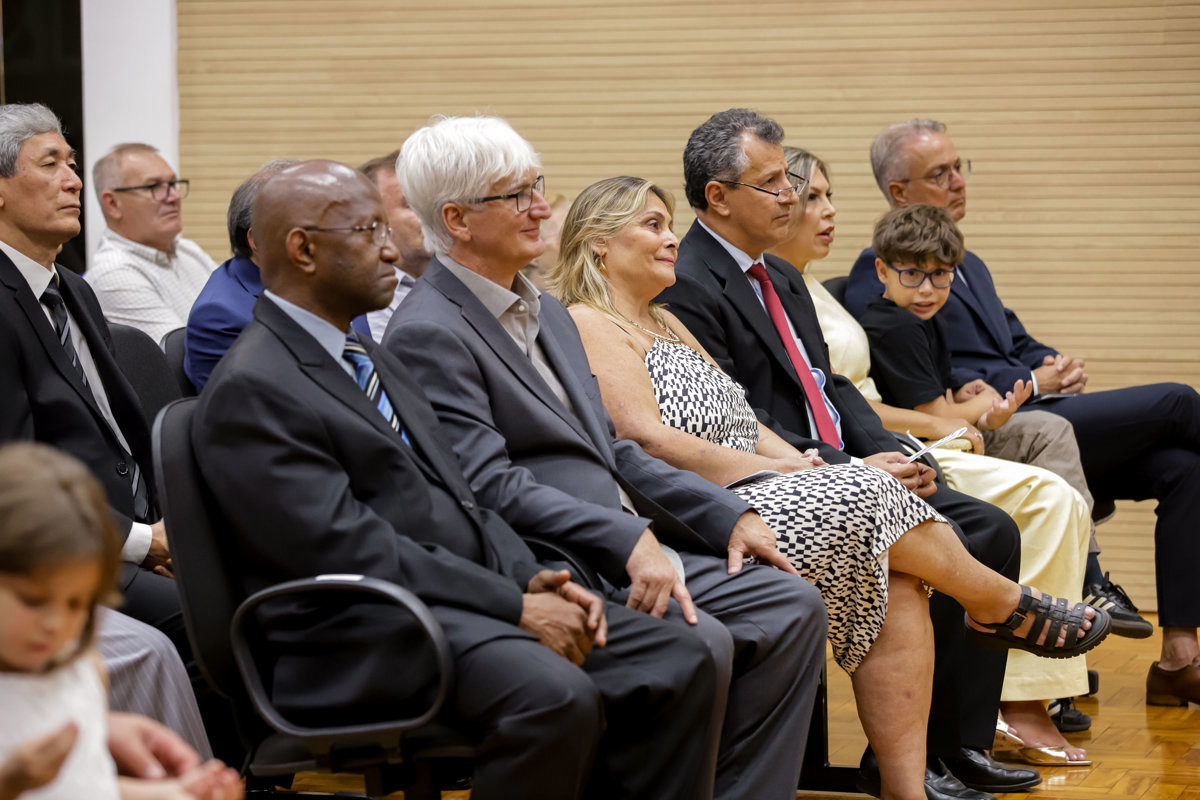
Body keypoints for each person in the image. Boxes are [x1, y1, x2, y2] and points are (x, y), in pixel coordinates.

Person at [552, 174, 1109, 795]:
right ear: (599, 244)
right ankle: (999, 604)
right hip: (701, 509)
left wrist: (813, 467)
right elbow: (648, 441)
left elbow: (744, 419)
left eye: (668, 224)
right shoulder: (586, 321)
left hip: (764, 484)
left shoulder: (665, 322)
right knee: (873, 497)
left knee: (896, 579)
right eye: (651, 226)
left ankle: (906, 787)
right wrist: (802, 473)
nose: (670, 238)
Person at [192, 158, 723, 800]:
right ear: (303, 250)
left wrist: (533, 575)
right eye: (368, 232)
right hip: (357, 633)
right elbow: (350, 549)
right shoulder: (255, 385)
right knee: (551, 696)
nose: (393, 248)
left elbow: (464, 495)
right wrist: (516, 604)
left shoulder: (368, 356)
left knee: (682, 654)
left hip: (444, 598)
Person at [385, 114, 827, 800]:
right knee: (699, 641)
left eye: (538, 186)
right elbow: (486, 483)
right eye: (516, 195)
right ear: (458, 219)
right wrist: (630, 537)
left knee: (789, 603)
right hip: (552, 557)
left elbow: (611, 448)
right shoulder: (429, 330)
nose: (541, 207)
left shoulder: (547, 311)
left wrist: (724, 515)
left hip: (627, 538)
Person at [656, 108, 1040, 799]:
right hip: (774, 485)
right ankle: (915, 756)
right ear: (718, 197)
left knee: (990, 526)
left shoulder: (776, 271)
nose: (796, 197)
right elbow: (736, 416)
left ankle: (958, 744)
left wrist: (892, 448)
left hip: (843, 465)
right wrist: (847, 470)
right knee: (962, 537)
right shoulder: (687, 282)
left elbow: (829, 385)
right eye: (775, 183)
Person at [845, 118, 1200, 705]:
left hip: (1028, 410)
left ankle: (1178, 662)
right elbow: (911, 362)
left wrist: (1052, 365)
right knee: (1179, 400)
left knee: (1185, 467)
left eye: (961, 167)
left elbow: (1016, 342)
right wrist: (1031, 383)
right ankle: (1090, 585)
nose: (958, 181)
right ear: (899, 191)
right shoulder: (878, 267)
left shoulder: (971, 265)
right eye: (940, 173)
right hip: (1001, 422)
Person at [770, 146, 1099, 746]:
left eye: (825, 194)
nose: (825, 209)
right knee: (1042, 496)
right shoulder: (781, 287)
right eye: (809, 195)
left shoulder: (804, 284)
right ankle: (1013, 699)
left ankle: (1013, 702)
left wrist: (944, 413)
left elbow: (845, 389)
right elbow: (827, 400)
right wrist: (919, 434)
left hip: (879, 436)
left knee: (1043, 488)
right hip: (854, 448)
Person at [859, 203, 1095, 763]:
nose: (926, 287)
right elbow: (932, 411)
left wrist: (979, 407)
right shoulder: (891, 323)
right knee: (1049, 496)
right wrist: (971, 413)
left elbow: (948, 402)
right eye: (912, 273)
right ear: (883, 270)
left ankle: (1037, 685)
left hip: (939, 439)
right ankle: (1021, 699)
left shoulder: (921, 321)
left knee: (1055, 465)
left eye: (940, 274)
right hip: (911, 452)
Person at [0, 442, 242, 800]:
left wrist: (173, 793)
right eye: (33, 601)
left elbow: (89, 784)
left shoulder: (85, 670)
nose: (55, 623)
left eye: (77, 604)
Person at [184, 159, 299, 391]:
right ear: (257, 239)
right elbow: (252, 413)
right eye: (309, 226)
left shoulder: (305, 286)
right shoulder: (220, 317)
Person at [87, 143, 217, 344]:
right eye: (154, 186)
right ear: (113, 204)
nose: (173, 197)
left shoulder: (188, 250)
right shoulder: (112, 274)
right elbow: (186, 357)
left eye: (173, 184)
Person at [357, 150, 431, 339]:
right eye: (412, 205)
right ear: (371, 221)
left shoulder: (468, 281)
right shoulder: (364, 304)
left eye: (434, 202)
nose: (434, 215)